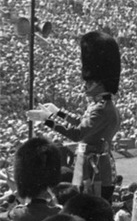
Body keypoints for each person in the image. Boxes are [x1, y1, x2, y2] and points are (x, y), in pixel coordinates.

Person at [29, 31, 122, 201]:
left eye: (89, 82)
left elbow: (78, 133)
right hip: (90, 163)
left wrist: (47, 120)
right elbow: (82, 123)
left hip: (94, 170)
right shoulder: (100, 105)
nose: (85, 86)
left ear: (100, 83)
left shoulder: (101, 108)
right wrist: (57, 112)